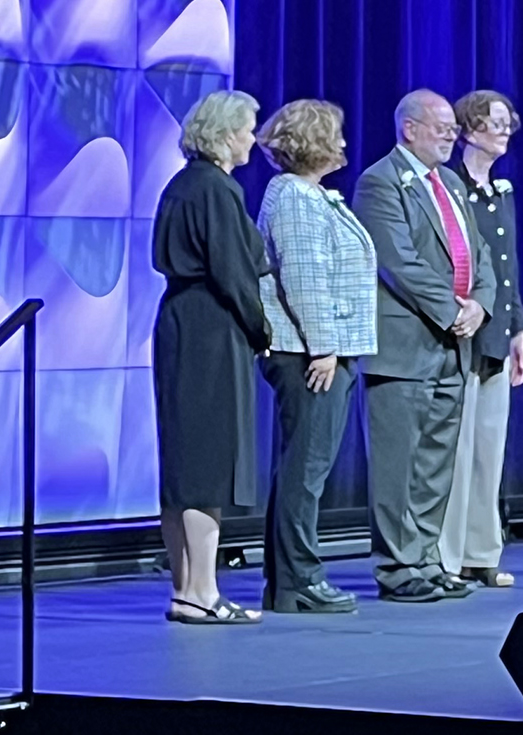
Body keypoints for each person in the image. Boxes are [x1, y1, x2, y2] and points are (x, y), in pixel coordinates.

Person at [353, 90, 495, 603]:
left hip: (453, 345)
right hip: (404, 346)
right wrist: (454, 310)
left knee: (437, 461)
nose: (450, 135)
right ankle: (396, 566)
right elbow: (397, 261)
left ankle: (428, 559)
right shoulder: (380, 182)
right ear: (409, 128)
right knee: (397, 465)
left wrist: (480, 303)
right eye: (440, 127)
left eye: (452, 128)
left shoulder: (452, 183)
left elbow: (479, 254)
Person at [151, 89, 270, 625]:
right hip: (209, 328)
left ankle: (186, 588)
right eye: (247, 129)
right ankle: (202, 589)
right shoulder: (216, 190)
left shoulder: (181, 185)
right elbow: (234, 271)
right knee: (204, 462)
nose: (253, 138)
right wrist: (260, 328)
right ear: (226, 135)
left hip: (181, 321)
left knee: (183, 460)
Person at [255, 98, 378, 615]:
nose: (346, 144)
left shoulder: (315, 197)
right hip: (309, 353)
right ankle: (298, 579)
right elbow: (305, 280)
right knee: (306, 470)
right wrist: (324, 347)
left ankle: (290, 579)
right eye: (336, 135)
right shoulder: (294, 200)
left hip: (324, 349)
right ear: (314, 143)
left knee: (307, 469)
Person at [442, 89, 523, 589]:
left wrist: (519, 328)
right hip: (463, 331)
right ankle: (448, 555)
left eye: (506, 123)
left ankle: (482, 550)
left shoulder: (503, 192)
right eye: (494, 123)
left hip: (497, 332)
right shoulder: (451, 188)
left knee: (489, 447)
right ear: (469, 130)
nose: (504, 131)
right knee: (457, 448)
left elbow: (508, 268)